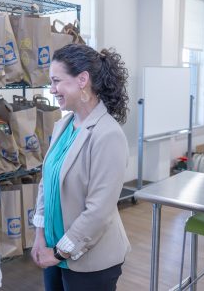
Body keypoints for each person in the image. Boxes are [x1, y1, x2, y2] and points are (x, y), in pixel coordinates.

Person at [30, 43, 131, 291]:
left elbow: (99, 211)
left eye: (57, 81)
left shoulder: (108, 134)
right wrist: (39, 237)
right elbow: (47, 183)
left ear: (82, 80)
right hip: (53, 251)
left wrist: (59, 252)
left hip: (88, 261)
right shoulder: (62, 126)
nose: (52, 90)